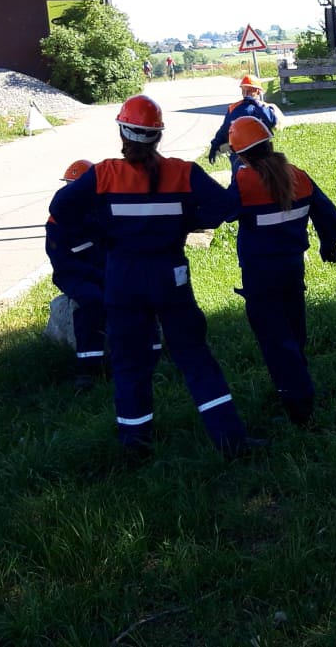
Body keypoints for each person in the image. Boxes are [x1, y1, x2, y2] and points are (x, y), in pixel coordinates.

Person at [49, 95, 262, 459]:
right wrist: (185, 221)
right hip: (170, 278)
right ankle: (231, 442)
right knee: (195, 358)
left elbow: (61, 208)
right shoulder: (183, 172)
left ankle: (135, 445)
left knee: (129, 363)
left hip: (122, 280)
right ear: (158, 136)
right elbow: (226, 207)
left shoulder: (103, 175)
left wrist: (103, 230)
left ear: (123, 132)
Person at [224, 115, 336, 427]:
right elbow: (330, 216)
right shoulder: (298, 176)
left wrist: (236, 173)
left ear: (239, 154)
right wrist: (328, 244)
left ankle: (299, 404)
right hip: (292, 268)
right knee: (293, 331)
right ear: (270, 144)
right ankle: (296, 382)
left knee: (275, 339)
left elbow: (224, 213)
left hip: (260, 275)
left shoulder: (244, 181)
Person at [45, 160, 110, 390]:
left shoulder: (101, 213)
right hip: (73, 275)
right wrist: (99, 276)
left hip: (104, 270)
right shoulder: (58, 220)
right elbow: (63, 262)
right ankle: (88, 367)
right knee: (91, 300)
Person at [207, 73, 282, 164]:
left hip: (261, 153)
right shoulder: (233, 108)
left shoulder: (264, 107)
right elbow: (224, 130)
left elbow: (272, 122)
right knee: (240, 176)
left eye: (250, 90)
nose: (246, 94)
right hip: (239, 154)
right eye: (243, 90)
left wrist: (257, 104)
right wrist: (215, 145)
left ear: (258, 91)